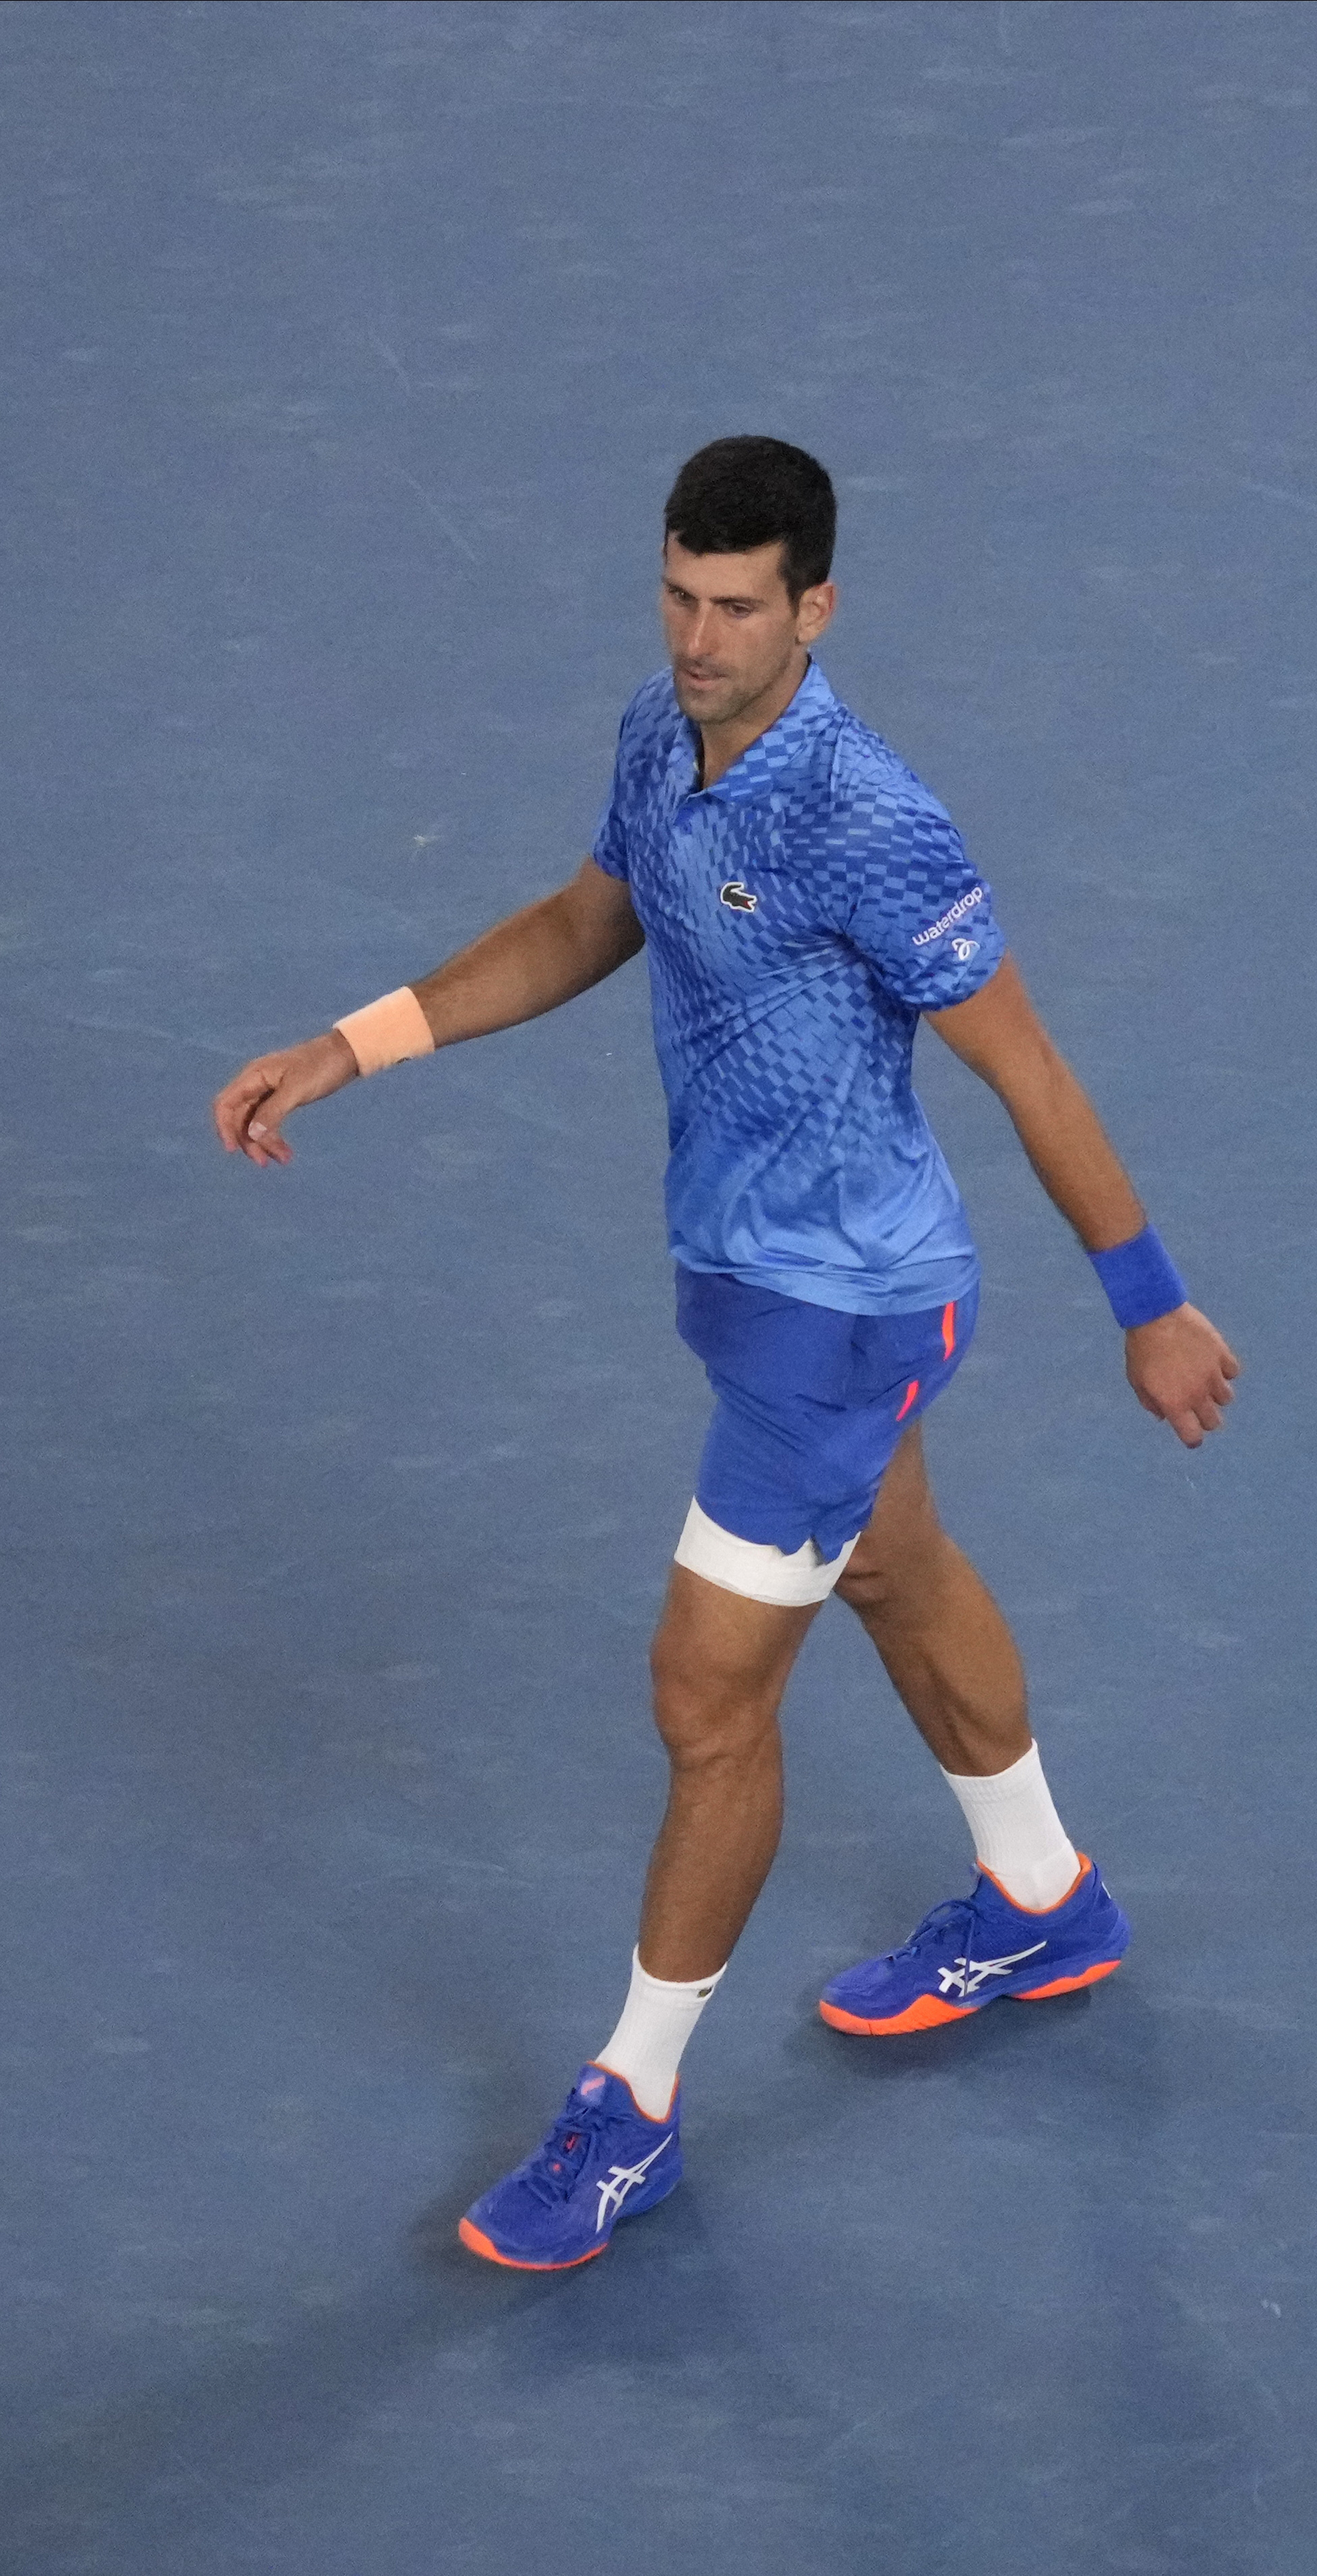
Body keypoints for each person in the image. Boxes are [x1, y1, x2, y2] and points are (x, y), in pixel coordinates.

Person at [210, 436, 1239, 2271]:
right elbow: (597, 913)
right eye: (679, 597)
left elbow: (1031, 1068)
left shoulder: (871, 816)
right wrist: (357, 1043)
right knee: (900, 1573)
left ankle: (631, 2112)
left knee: (707, 1701)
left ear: (814, 608)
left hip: (840, 1327)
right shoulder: (661, 732)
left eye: (738, 608)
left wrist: (1149, 1301)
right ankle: (1043, 1896)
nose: (698, 637)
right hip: (755, 1289)